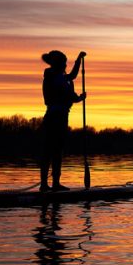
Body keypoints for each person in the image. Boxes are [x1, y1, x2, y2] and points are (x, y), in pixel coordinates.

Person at [40, 50, 86, 192]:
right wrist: (79, 98)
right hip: (57, 118)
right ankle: (54, 185)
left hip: (52, 117)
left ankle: (46, 185)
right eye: (65, 62)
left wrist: (78, 60)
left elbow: (72, 76)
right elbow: (69, 95)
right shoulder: (57, 78)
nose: (66, 65)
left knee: (50, 150)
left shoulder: (55, 75)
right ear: (59, 64)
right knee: (56, 151)